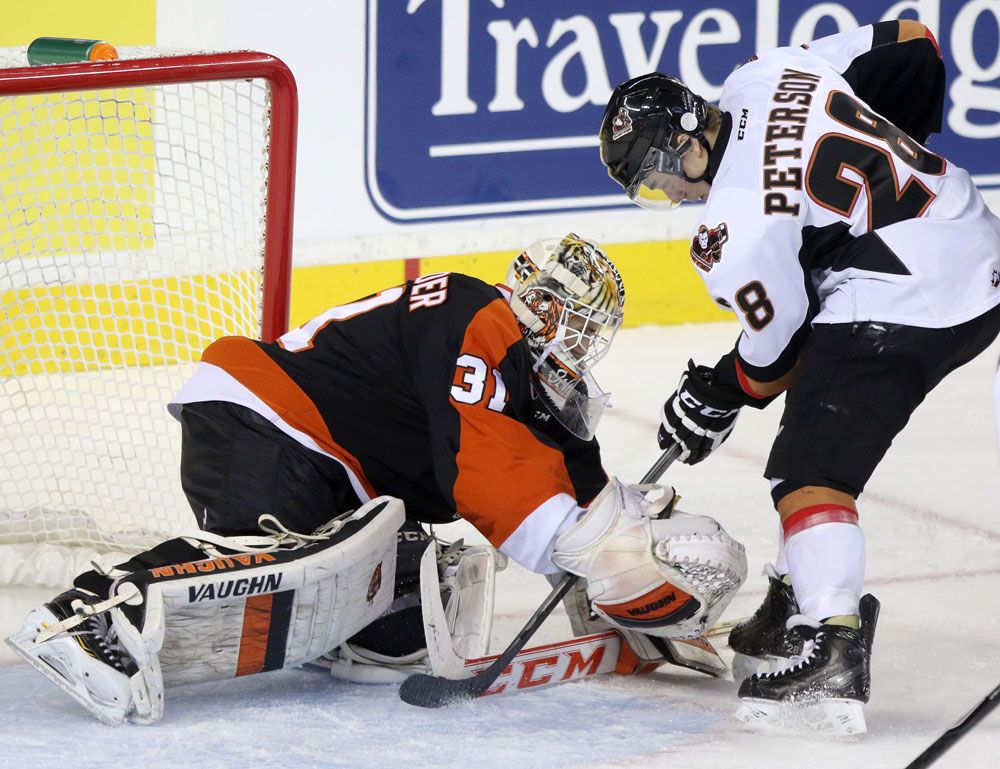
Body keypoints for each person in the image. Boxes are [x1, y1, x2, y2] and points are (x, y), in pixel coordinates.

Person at [7, 234, 747, 724]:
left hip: (338, 468)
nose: (582, 343)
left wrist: (625, 565)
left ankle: (349, 634)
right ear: (541, 302)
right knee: (293, 564)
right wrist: (590, 552)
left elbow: (580, 492)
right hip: (270, 419)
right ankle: (93, 612)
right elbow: (481, 471)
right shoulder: (477, 316)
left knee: (392, 596)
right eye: (576, 322)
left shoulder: (529, 378)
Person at [599, 19, 1000, 735]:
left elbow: (777, 352)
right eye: (651, 191)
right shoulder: (769, 72)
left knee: (810, 474)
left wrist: (718, 391)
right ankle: (789, 603)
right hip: (967, 230)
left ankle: (832, 643)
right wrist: (887, 163)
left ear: (691, 137)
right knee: (814, 415)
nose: (670, 193)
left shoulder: (729, 229)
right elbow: (914, 42)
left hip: (910, 298)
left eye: (663, 175)